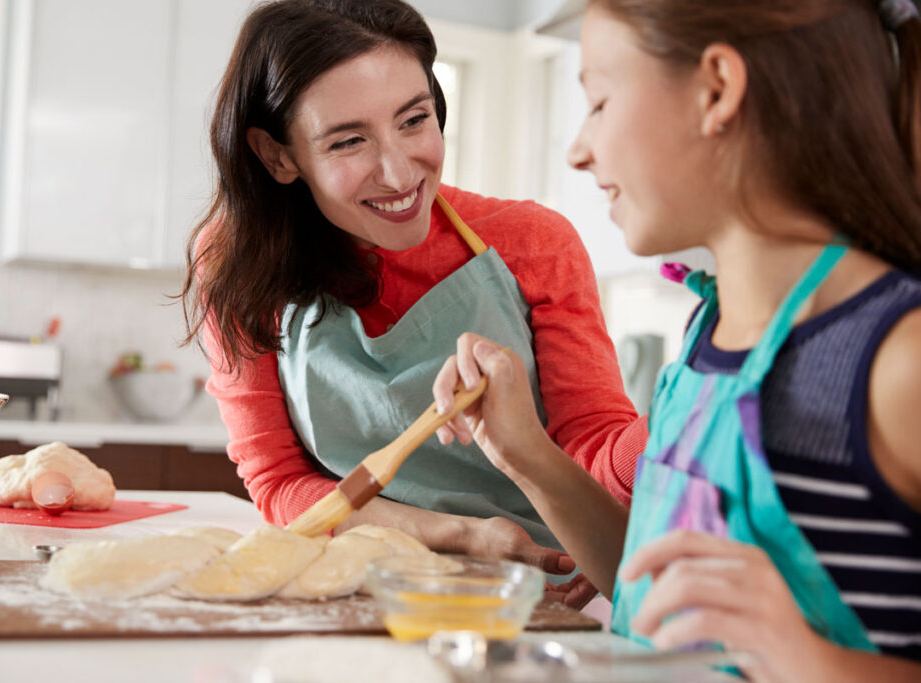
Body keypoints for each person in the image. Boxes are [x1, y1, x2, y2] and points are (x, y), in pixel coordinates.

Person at [433, 0, 921, 679]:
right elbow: (652, 585)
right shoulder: (704, 337)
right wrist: (527, 456)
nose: (578, 149)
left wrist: (800, 654)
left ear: (717, 89)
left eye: (599, 102)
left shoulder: (899, 357)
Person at [179, 0, 646, 590]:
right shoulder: (237, 261)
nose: (400, 175)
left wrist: (672, 431)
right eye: (349, 142)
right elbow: (280, 484)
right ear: (279, 156)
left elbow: (596, 458)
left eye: (414, 120)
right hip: (368, 588)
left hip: (543, 593)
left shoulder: (533, 242)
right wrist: (465, 535)